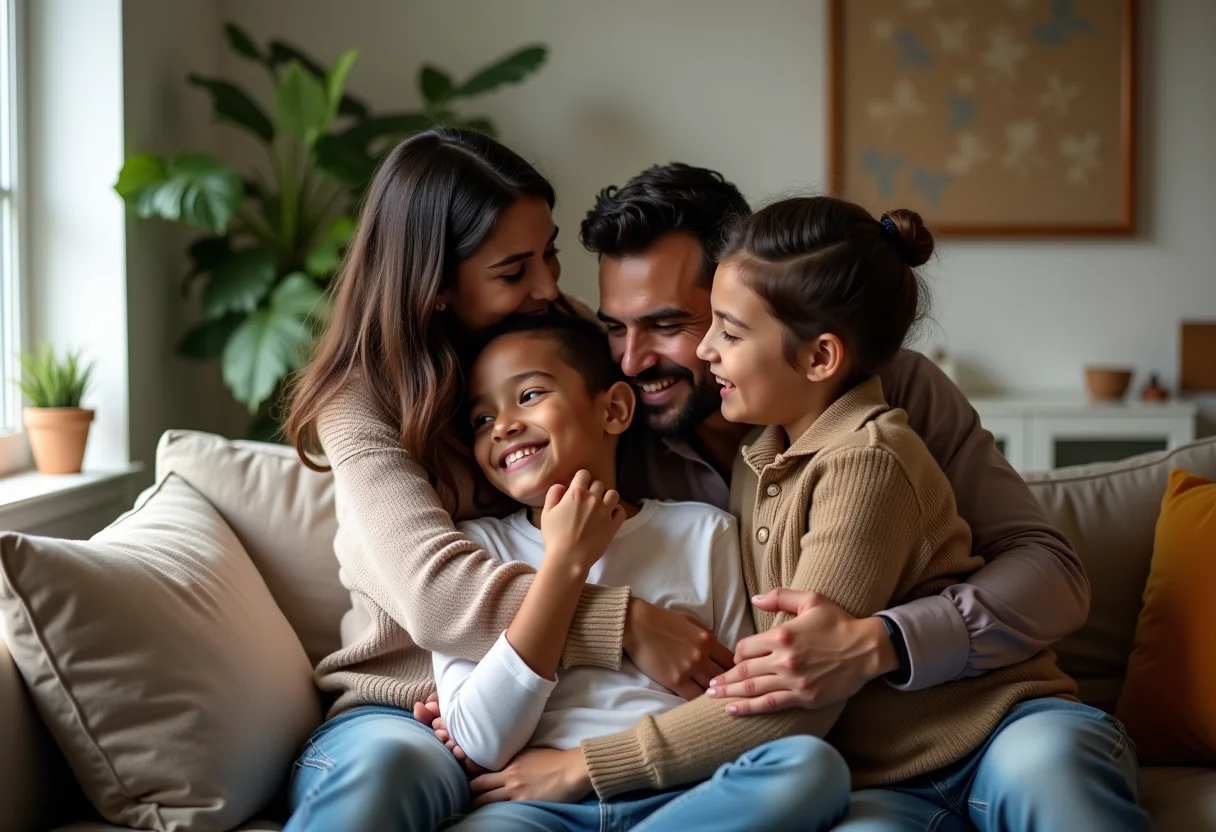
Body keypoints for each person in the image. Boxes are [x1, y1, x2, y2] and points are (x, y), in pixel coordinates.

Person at [281, 129, 734, 832]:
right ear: (435, 285)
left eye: (549, 252)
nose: (550, 286)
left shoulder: (567, 336)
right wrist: (626, 623)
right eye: (514, 270)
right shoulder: (362, 401)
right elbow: (436, 596)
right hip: (412, 709)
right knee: (388, 773)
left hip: (564, 711)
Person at [432, 314, 850, 831]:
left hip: (676, 797)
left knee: (811, 769)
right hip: (533, 807)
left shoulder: (705, 533)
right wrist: (565, 562)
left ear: (613, 409)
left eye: (530, 395)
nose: (502, 426)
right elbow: (480, 740)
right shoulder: (474, 551)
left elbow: (740, 699)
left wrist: (593, 768)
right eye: (480, 419)